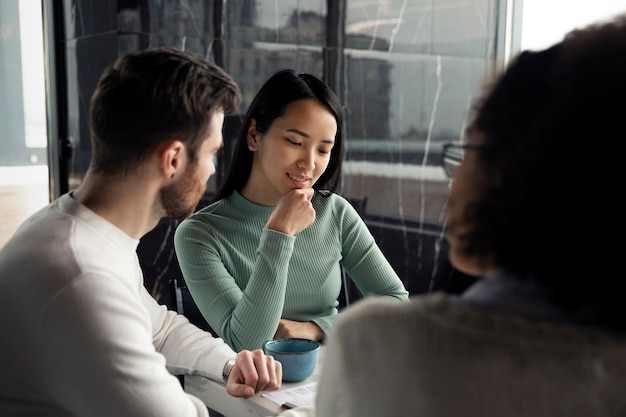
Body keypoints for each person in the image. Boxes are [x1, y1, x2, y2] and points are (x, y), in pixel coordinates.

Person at [312, 14, 626, 417]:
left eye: (468, 151)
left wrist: (315, 325)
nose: (453, 181)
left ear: (514, 173)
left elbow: (394, 298)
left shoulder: (380, 346)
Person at [0, 47, 282, 417]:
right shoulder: (80, 276)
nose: (214, 170)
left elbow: (159, 327)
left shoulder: (81, 232)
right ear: (173, 159)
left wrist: (230, 363)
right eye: (213, 152)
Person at [174, 69, 409, 351]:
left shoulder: (335, 213)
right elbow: (247, 343)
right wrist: (280, 232)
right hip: (249, 390)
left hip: (331, 376)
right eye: (295, 142)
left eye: (323, 150)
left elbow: (398, 307)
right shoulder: (199, 234)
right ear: (254, 135)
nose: (309, 163)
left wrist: (316, 328)